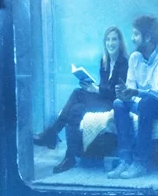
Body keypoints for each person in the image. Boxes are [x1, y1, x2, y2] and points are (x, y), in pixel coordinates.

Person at [34, 26, 129, 173]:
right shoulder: (104, 61)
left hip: (115, 104)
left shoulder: (124, 63)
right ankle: (69, 157)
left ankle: (52, 134)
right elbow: (104, 87)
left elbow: (117, 93)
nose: (110, 43)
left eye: (114, 39)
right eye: (108, 40)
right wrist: (91, 86)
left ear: (120, 42)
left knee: (77, 93)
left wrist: (96, 90)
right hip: (104, 99)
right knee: (76, 109)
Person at [109, 14, 158, 179]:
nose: (132, 39)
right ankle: (125, 160)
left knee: (147, 103)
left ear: (147, 37)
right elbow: (131, 88)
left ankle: (141, 163)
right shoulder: (134, 58)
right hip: (142, 103)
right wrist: (125, 94)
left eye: (136, 34)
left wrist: (135, 93)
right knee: (118, 103)